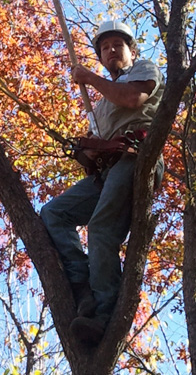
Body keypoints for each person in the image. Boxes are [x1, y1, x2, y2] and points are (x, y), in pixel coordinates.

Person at [40, 21, 164, 345]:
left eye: (117, 45)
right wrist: (89, 150)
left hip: (137, 159)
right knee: (54, 213)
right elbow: (97, 155)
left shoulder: (144, 69)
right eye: (104, 47)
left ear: (130, 50)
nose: (110, 51)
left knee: (101, 228)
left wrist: (89, 78)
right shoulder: (99, 107)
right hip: (110, 170)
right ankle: (84, 288)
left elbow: (134, 99)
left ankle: (104, 313)